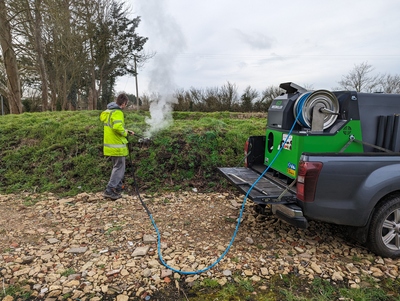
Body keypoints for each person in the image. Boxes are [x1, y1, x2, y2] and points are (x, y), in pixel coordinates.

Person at [100, 93, 134, 200]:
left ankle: (118, 188)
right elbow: (117, 127)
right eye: (126, 104)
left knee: (117, 167)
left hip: (110, 145)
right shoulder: (118, 112)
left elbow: (114, 126)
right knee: (119, 168)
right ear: (124, 103)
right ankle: (109, 190)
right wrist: (125, 133)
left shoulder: (108, 112)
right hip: (117, 146)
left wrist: (126, 131)